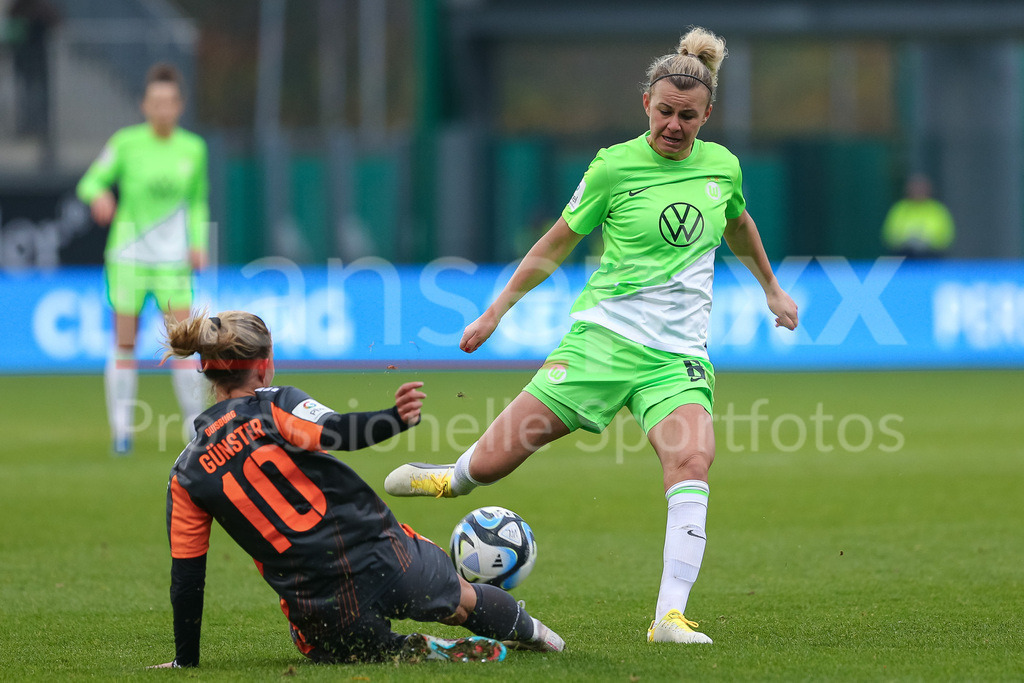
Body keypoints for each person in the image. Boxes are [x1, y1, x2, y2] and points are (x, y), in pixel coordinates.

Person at [384, 27, 799, 645]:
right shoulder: (613, 166)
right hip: (602, 342)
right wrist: (495, 312)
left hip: (677, 357)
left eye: (688, 116)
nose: (674, 126)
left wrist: (771, 287)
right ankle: (453, 479)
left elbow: (739, 223)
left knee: (692, 461)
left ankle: (669, 618)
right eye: (665, 112)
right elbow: (555, 243)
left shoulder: (723, 167)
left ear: (707, 115)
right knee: (494, 464)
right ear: (646, 104)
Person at [153, 310, 565, 668]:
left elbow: (187, 576)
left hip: (320, 606)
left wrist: (185, 659)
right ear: (263, 366)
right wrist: (394, 418)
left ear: (206, 369)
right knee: (461, 599)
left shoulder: (185, 474)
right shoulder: (275, 405)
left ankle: (396, 647)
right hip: (386, 557)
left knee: (325, 645)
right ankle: (539, 636)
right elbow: (337, 432)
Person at [76, 62, 209, 454]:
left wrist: (199, 241)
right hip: (129, 258)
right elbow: (90, 181)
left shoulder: (193, 149)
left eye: (169, 102)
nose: (162, 109)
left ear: (180, 106)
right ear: (144, 105)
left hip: (173, 262)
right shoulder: (126, 143)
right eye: (156, 102)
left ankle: (196, 428)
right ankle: (122, 431)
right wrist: (99, 194)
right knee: (125, 342)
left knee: (184, 343)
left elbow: (197, 202)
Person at [881, 173, 955, 258]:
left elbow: (947, 236)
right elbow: (889, 235)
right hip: (904, 256)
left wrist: (927, 241)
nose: (918, 191)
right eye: (915, 188)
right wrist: (907, 240)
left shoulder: (938, 209)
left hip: (931, 257)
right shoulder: (899, 209)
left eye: (921, 188)